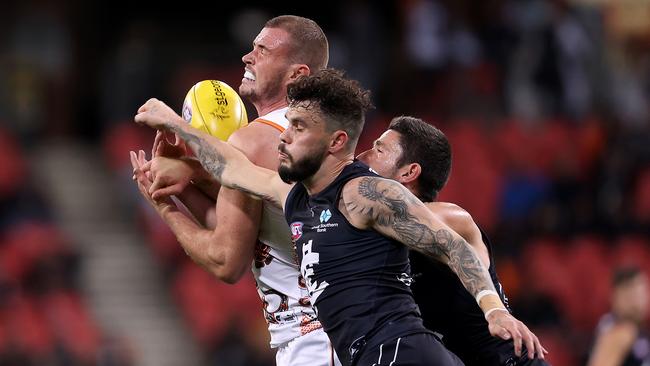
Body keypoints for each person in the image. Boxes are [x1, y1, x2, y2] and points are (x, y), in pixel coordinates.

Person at [131, 69, 544, 366]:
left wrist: (495, 310)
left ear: (336, 141)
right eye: (287, 125)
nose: (284, 137)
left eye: (297, 128)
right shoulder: (294, 196)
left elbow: (451, 243)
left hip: (404, 353)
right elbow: (232, 169)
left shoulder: (363, 193)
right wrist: (175, 130)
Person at [135, 15, 340, 366]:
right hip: (333, 333)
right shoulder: (315, 133)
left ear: (297, 74)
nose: (247, 57)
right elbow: (250, 226)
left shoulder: (253, 139)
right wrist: (188, 181)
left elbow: (227, 260)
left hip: (316, 339)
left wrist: (163, 204)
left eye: (262, 50)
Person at [356, 116, 548, 365]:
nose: (362, 156)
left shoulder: (451, 218)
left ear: (409, 172)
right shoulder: (377, 232)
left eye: (378, 149)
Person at [587, 266, 650, 366]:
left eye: (642, 293)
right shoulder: (620, 333)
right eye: (631, 295)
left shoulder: (635, 330)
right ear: (615, 297)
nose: (638, 301)